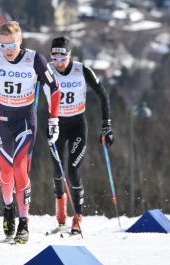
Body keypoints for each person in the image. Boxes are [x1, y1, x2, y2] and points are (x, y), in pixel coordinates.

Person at [0, 21, 61, 243]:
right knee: (6, 173)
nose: (7, 51)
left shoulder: (34, 59)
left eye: (11, 46)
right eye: (3, 45)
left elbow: (54, 88)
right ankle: (8, 207)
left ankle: (23, 221)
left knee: (20, 170)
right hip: (2, 120)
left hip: (25, 121)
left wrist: (54, 119)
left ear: (20, 41)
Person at [48, 36, 114, 234]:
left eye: (62, 57)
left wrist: (106, 126)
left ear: (69, 55)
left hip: (77, 126)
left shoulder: (81, 70)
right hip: (56, 126)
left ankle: (77, 216)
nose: (58, 63)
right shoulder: (47, 70)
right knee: (58, 172)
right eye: (54, 58)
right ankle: (61, 211)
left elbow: (103, 94)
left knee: (74, 171)